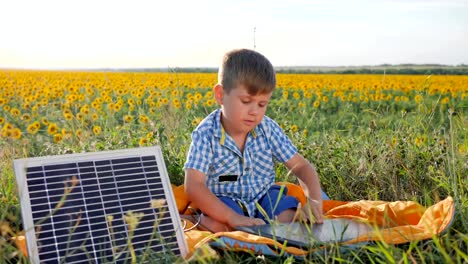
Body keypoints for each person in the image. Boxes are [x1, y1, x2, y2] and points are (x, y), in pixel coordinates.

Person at [184, 48, 325, 232]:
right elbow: (194, 185)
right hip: (225, 201)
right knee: (223, 226)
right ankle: (193, 220)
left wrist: (314, 200)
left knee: (290, 221)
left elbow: (301, 166)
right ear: (220, 95)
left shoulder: (267, 127)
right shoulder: (205, 134)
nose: (254, 111)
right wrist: (231, 217)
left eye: (262, 104)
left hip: (264, 197)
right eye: (245, 101)